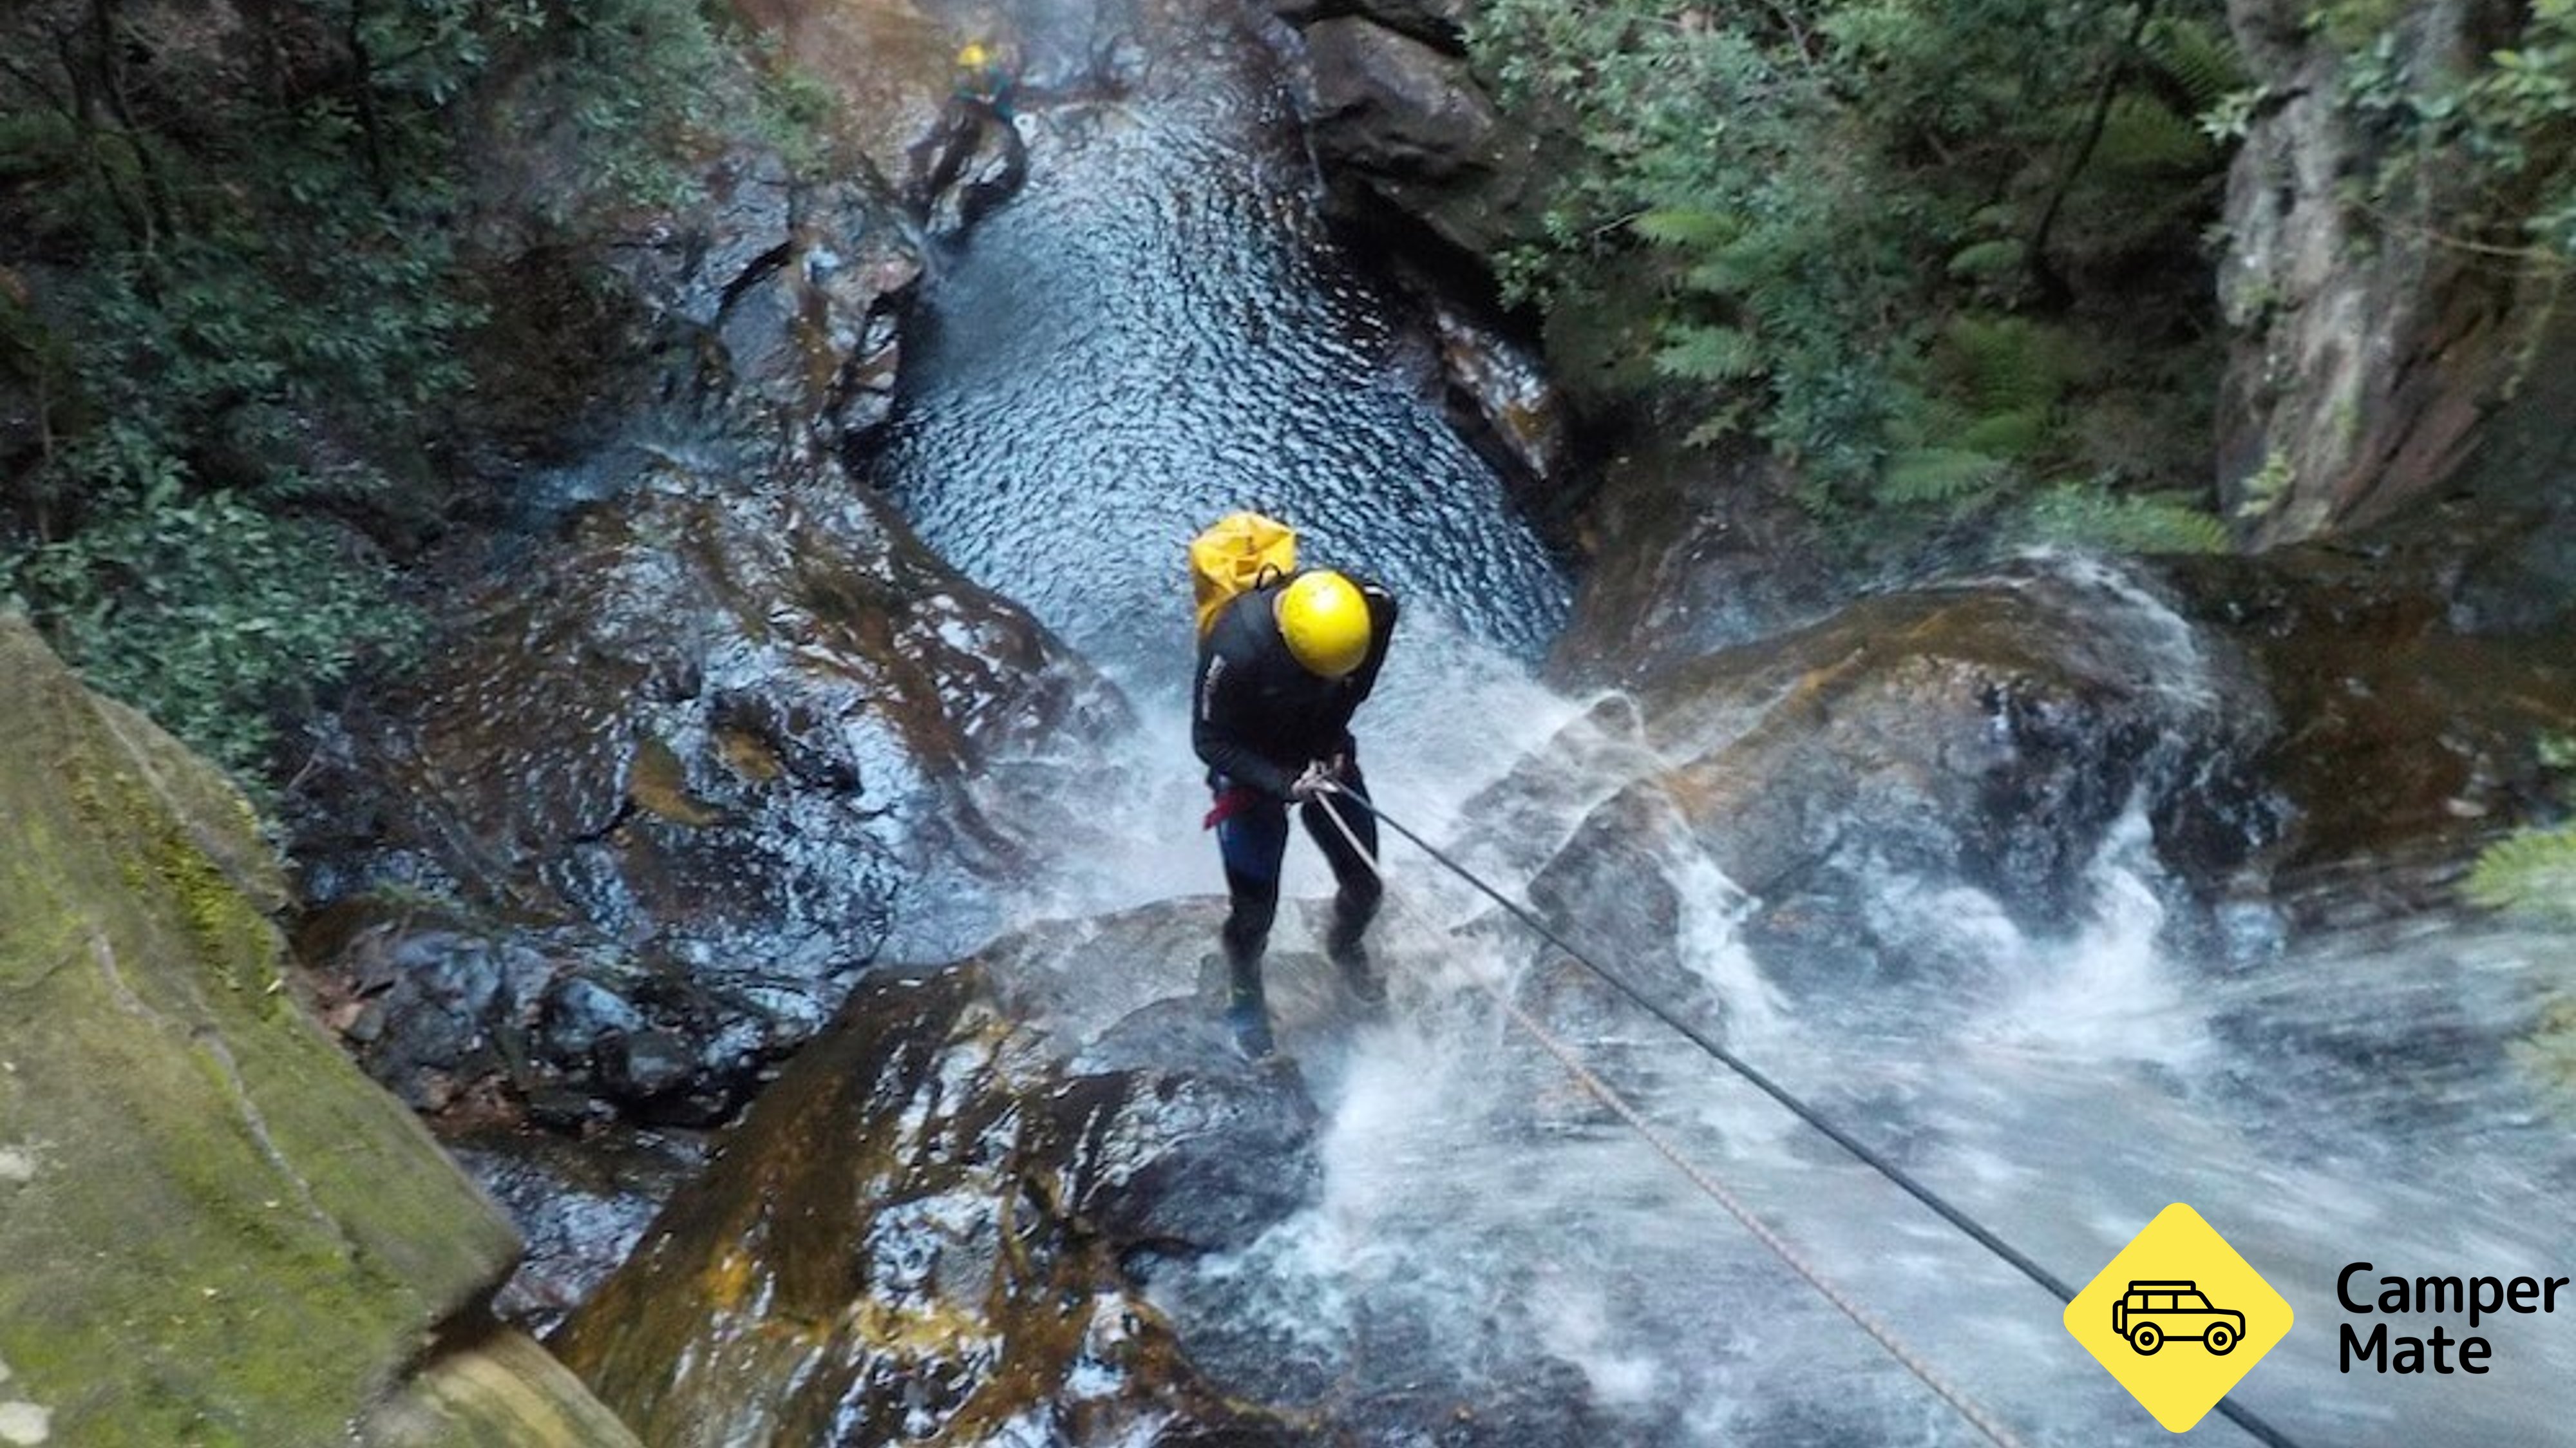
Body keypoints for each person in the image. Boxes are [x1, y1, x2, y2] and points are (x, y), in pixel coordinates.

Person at [1193, 567, 1399, 1060]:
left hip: (1324, 754)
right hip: (1253, 776)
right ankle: (1245, 995)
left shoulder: (1374, 610)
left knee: (1366, 886)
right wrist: (1282, 783)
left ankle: (1344, 947)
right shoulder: (1235, 647)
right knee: (1255, 912)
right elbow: (1209, 740)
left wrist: (1331, 745)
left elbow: (1356, 685)